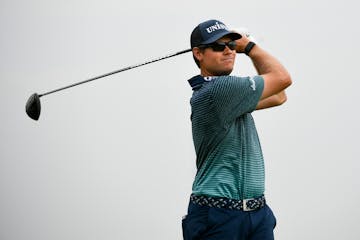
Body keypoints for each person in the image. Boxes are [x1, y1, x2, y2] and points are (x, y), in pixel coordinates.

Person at [182, 19, 292, 240]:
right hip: (218, 216)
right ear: (198, 53)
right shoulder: (219, 91)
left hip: (256, 212)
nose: (228, 51)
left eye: (231, 46)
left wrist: (244, 46)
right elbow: (282, 78)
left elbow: (279, 96)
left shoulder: (232, 95)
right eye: (217, 46)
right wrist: (248, 47)